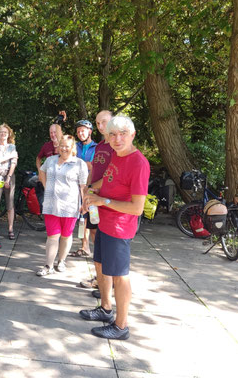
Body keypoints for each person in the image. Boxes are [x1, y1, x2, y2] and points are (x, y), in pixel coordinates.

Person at [79, 115, 150, 340]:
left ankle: (121, 326)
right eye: (112, 135)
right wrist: (92, 190)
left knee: (120, 276)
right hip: (104, 223)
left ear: (132, 135)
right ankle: (106, 309)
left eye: (122, 134)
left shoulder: (138, 163)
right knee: (99, 265)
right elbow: (108, 180)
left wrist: (104, 201)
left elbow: (137, 208)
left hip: (120, 228)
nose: (117, 139)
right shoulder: (117, 156)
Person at [36, 135, 88, 276]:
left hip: (70, 206)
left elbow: (83, 186)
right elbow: (42, 171)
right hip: (51, 204)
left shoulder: (79, 164)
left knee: (66, 235)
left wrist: (84, 204)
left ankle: (62, 261)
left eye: (67, 146)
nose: (64, 148)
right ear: (58, 146)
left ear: (73, 148)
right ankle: (48, 266)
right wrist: (46, 186)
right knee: (52, 236)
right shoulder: (51, 160)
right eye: (62, 145)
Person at [77, 110, 113, 286]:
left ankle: (107, 279)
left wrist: (92, 189)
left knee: (105, 240)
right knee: (93, 234)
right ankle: (100, 278)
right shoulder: (99, 146)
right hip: (93, 199)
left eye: (104, 122)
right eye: (98, 123)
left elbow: (110, 176)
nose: (100, 126)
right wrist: (87, 191)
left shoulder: (115, 147)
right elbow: (93, 171)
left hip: (106, 201)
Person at [70, 119, 97, 256]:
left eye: (83, 131)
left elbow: (93, 166)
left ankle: (98, 251)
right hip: (77, 186)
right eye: (78, 131)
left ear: (90, 132)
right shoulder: (75, 146)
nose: (81, 133)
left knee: (93, 220)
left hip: (92, 187)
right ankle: (84, 246)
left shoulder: (97, 147)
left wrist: (84, 164)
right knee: (82, 218)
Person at [0, 123, 18, 240]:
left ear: (9, 134)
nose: (3, 134)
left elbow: (14, 163)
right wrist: (9, 156)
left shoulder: (12, 147)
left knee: (10, 204)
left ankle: (10, 228)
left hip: (9, 175)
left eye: (5, 132)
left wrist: (8, 177)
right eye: (1, 132)